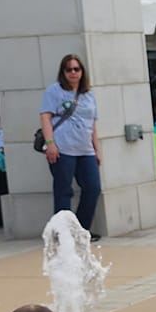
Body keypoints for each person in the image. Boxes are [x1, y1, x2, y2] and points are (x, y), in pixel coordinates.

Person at [40, 53, 102, 236]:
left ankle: (81, 231)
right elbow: (45, 117)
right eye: (69, 69)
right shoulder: (54, 91)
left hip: (85, 150)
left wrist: (97, 150)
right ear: (63, 72)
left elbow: (92, 124)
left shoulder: (88, 95)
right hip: (63, 149)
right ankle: (63, 234)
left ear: (82, 72)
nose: (73, 73)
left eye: (77, 69)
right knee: (63, 191)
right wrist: (50, 143)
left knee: (93, 187)